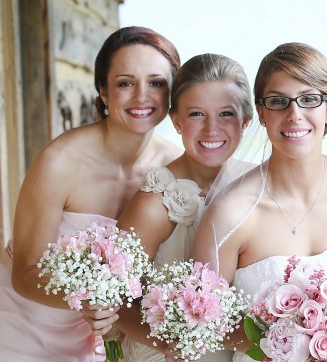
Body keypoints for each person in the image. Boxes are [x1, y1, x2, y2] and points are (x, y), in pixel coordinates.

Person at [0, 26, 183, 361]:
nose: (142, 96)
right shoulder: (60, 162)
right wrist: (88, 299)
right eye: (125, 83)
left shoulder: (175, 168)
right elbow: (24, 274)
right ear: (103, 90)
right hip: (22, 327)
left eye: (156, 83)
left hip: (97, 332)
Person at [189, 42, 327, 362]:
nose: (294, 115)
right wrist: (290, 345)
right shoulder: (230, 212)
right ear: (262, 113)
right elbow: (204, 320)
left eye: (309, 99)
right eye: (279, 102)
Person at [82, 53, 255, 362]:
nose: (212, 129)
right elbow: (112, 300)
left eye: (226, 114)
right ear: (176, 121)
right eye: (197, 114)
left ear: (245, 121)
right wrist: (169, 343)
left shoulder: (259, 186)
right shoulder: (157, 202)